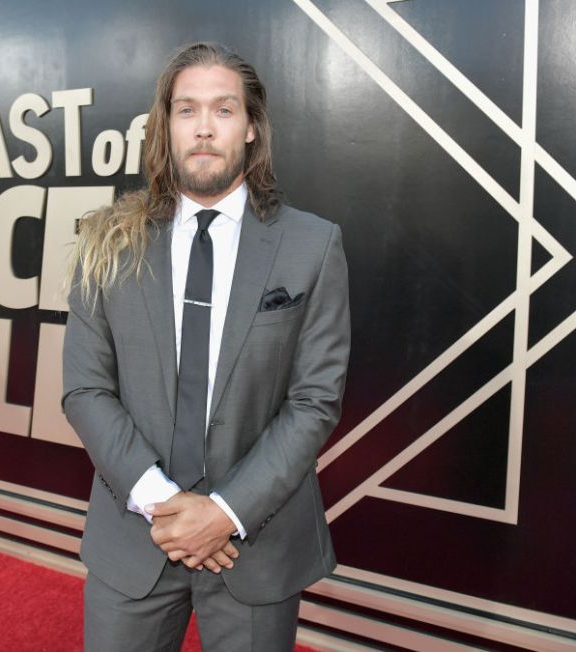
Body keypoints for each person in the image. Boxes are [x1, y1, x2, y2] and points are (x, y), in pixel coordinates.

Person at [63, 42, 350, 651]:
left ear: (251, 128)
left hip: (256, 540)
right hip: (135, 537)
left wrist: (223, 513)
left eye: (223, 109)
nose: (203, 127)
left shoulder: (313, 246)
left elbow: (314, 401)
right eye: (186, 109)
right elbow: (86, 390)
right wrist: (165, 506)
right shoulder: (106, 239)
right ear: (165, 127)